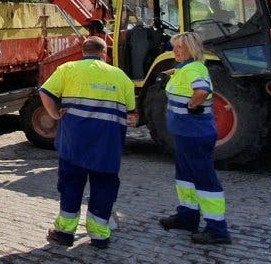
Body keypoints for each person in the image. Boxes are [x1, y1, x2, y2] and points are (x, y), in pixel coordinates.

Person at [39, 36, 135, 249]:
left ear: (83, 52)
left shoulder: (67, 69)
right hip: (107, 145)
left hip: (74, 142)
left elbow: (45, 92)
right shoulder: (120, 76)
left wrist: (54, 115)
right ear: (105, 54)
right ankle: (100, 236)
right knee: (104, 187)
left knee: (71, 185)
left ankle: (64, 233)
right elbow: (131, 111)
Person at [158, 32, 231, 245]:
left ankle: (217, 229)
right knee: (185, 177)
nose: (175, 51)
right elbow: (183, 73)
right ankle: (187, 216)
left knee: (203, 179)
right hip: (185, 133)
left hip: (194, 133)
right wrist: (169, 73)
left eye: (180, 47)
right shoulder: (185, 68)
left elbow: (200, 90)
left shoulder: (194, 68)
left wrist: (192, 104)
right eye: (174, 47)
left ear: (191, 48)